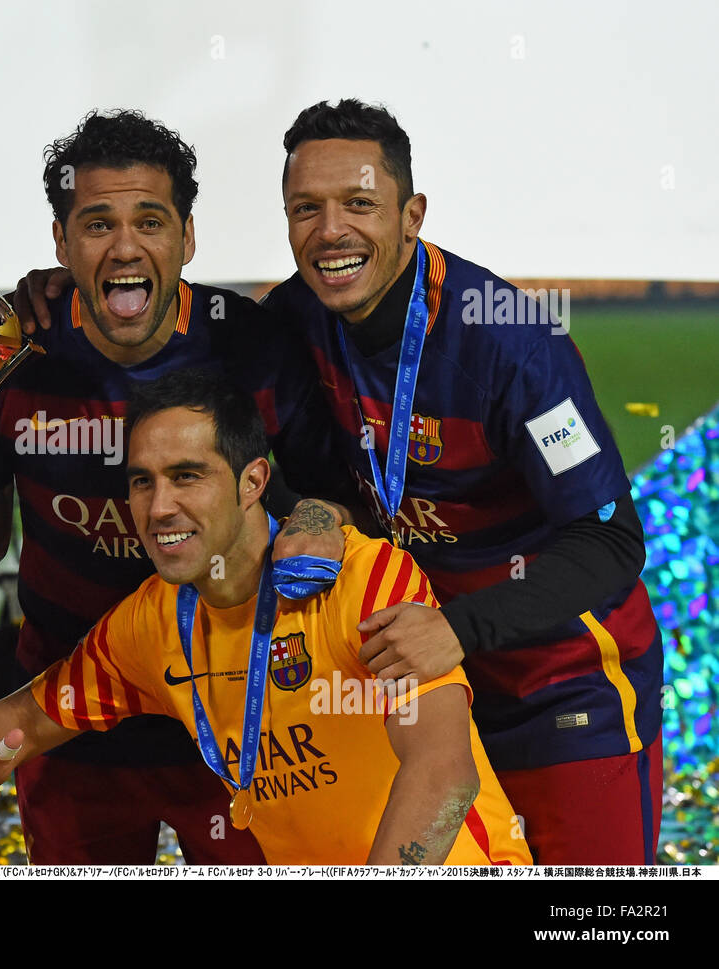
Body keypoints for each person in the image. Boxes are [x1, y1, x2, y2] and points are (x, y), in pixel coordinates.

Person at [0, 110, 355, 864]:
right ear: (62, 243)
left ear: (187, 238)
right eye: (96, 224)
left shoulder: (252, 346)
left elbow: (331, 496)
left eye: (149, 221)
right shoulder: (14, 354)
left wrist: (316, 523)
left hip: (234, 717)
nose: (125, 246)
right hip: (66, 715)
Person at [262, 99, 662, 863]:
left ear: (411, 214)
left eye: (359, 204)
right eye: (305, 208)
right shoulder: (291, 321)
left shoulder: (510, 342)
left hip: (563, 683)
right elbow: (215, 417)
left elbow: (609, 539)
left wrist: (459, 630)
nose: (331, 231)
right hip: (424, 688)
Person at [0, 370, 531, 865]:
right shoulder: (150, 624)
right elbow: (24, 718)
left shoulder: (363, 578)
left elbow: (445, 774)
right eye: (143, 482)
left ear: (252, 482)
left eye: (187, 477)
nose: (161, 508)